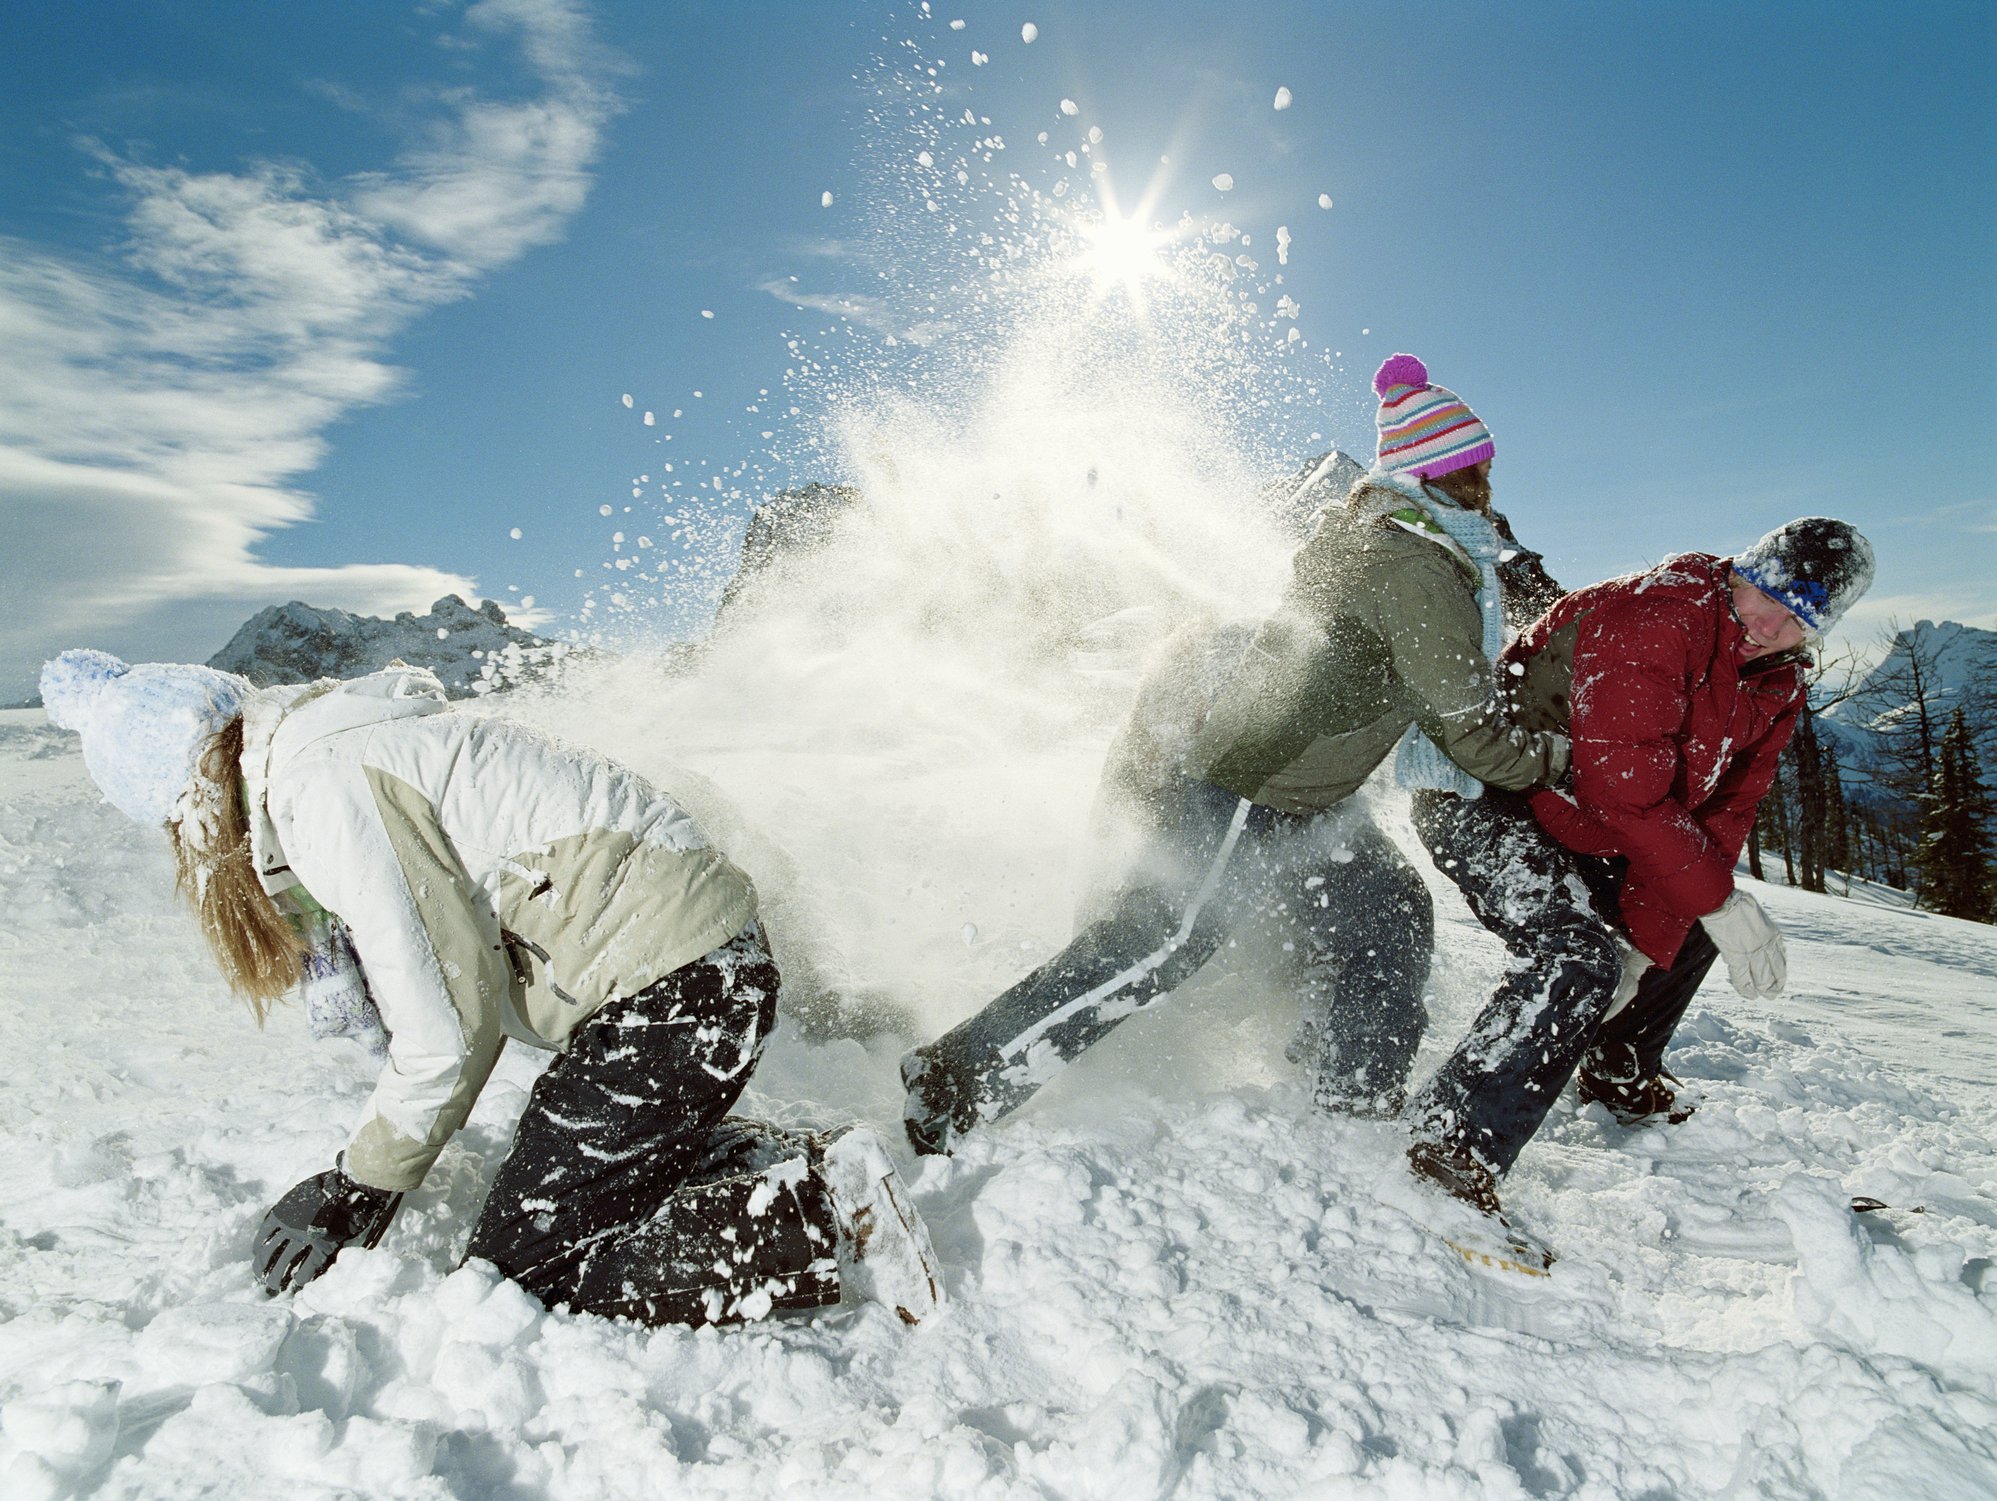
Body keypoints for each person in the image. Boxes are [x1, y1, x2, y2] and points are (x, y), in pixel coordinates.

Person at [39, 651, 943, 1327]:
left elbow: (450, 1015)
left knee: (530, 1267)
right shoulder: (330, 748)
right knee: (566, 1172)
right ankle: (817, 1162)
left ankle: (829, 1222)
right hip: (694, 979)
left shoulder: (320, 788)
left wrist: (361, 1181)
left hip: (675, 992)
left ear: (194, 790)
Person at [901, 354, 1571, 1154]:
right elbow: (1468, 728)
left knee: (1389, 914)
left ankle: (1349, 1106)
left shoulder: (1394, 541)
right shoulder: (1415, 567)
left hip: (1308, 801)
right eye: (1477, 466)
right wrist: (1554, 758)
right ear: (1446, 473)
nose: (1488, 483)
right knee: (1162, 941)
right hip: (1250, 786)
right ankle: (954, 1075)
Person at [1404, 516, 1875, 1223]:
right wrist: (1679, 916)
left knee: (1688, 915)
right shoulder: (1657, 616)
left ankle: (1616, 1063)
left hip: (1585, 819)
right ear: (1739, 571)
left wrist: (1660, 935)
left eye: (1796, 617)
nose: (1766, 623)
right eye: (1762, 593)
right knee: (1577, 955)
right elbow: (1622, 791)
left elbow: (1721, 816)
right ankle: (1446, 1143)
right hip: (1487, 793)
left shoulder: (1776, 681)